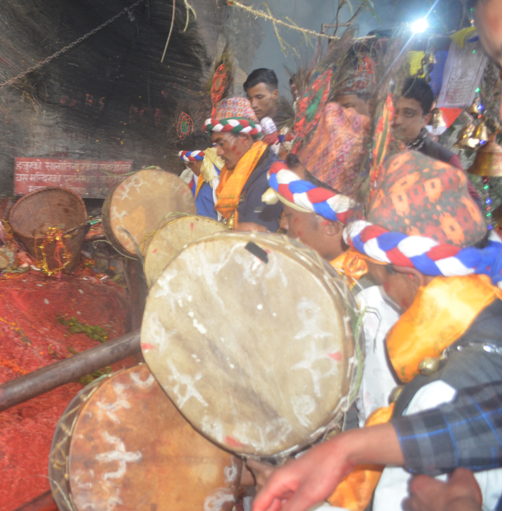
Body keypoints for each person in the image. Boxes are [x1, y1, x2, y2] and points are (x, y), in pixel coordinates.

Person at [252, 151, 502, 511]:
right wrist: (346, 451)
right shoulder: (486, 328)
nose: (384, 291)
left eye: (383, 279)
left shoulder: (440, 391)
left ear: (412, 277)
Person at [265, 102, 399, 426]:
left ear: (331, 226)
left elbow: (375, 417)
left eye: (290, 215)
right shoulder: (321, 267)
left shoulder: (370, 301)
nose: (282, 225)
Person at [204, 97, 281, 232]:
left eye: (222, 144)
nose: (219, 152)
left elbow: (258, 242)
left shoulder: (267, 180)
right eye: (216, 145)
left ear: (244, 139)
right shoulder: (245, 173)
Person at [392, 77, 463, 169]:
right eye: (394, 111)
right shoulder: (378, 145)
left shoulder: (445, 161)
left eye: (408, 113)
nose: (397, 120)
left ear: (425, 120)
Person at [178, 148, 223, 219]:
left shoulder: (205, 192)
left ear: (193, 163)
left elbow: (200, 222)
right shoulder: (226, 177)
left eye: (189, 166)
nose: (191, 169)